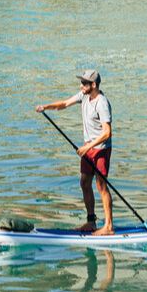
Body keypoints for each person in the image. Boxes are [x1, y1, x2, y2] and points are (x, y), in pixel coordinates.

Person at [37, 68, 114, 234]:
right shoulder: (84, 96)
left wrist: (88, 146)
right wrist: (46, 107)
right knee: (84, 183)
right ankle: (91, 222)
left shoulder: (102, 103)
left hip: (100, 149)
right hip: (88, 148)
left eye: (84, 83)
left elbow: (107, 132)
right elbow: (64, 104)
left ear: (93, 85)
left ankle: (108, 226)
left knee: (101, 186)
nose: (81, 86)